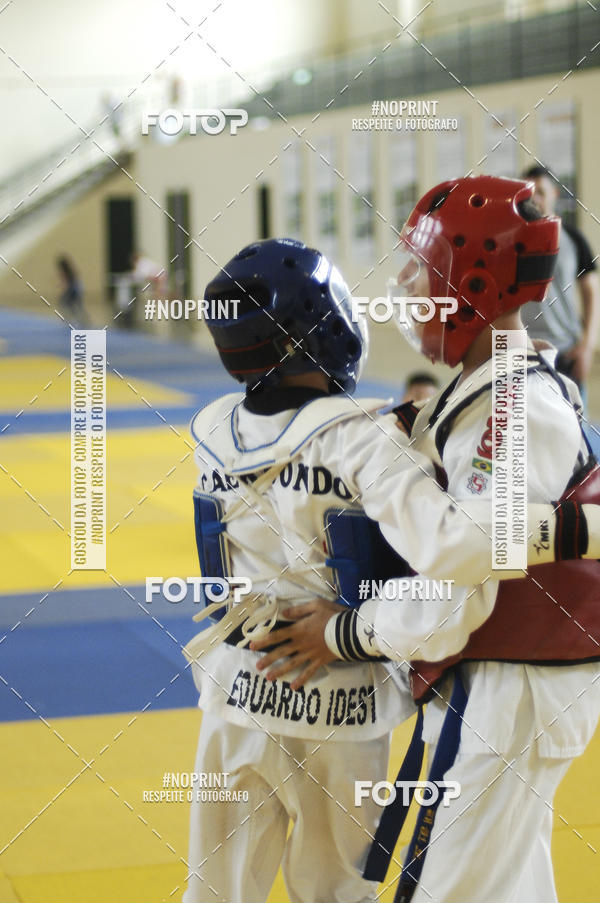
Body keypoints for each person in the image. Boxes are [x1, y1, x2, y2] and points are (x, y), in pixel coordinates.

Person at [182, 235, 600, 903]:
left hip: (236, 687)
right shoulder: (370, 438)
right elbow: (452, 552)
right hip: (342, 701)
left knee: (214, 888)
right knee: (337, 891)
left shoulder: (207, 427)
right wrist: (583, 525)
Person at [519, 165, 599, 393]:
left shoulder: (573, 239)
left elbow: (592, 294)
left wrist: (587, 347)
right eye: (528, 193)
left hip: (566, 354)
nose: (534, 199)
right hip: (524, 354)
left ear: (554, 193)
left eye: (541, 192)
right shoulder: (511, 241)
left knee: (573, 426)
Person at [56, 255, 87, 327]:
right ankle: (78, 320)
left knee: (69, 304)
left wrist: (63, 288)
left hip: (74, 290)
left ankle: (78, 320)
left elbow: (68, 283)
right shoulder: (69, 271)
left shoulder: (67, 272)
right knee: (74, 305)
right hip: (75, 289)